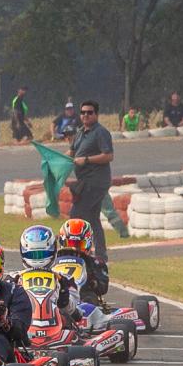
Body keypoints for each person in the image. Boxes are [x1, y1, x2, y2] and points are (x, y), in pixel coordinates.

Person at [69, 99, 114, 259]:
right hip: (83, 181)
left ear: (96, 114)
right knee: (93, 218)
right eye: (83, 112)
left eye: (89, 112)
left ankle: (77, 252)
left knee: (76, 214)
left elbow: (108, 155)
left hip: (96, 182)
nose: (86, 115)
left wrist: (86, 160)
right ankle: (101, 254)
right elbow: (72, 153)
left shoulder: (100, 132)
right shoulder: (80, 132)